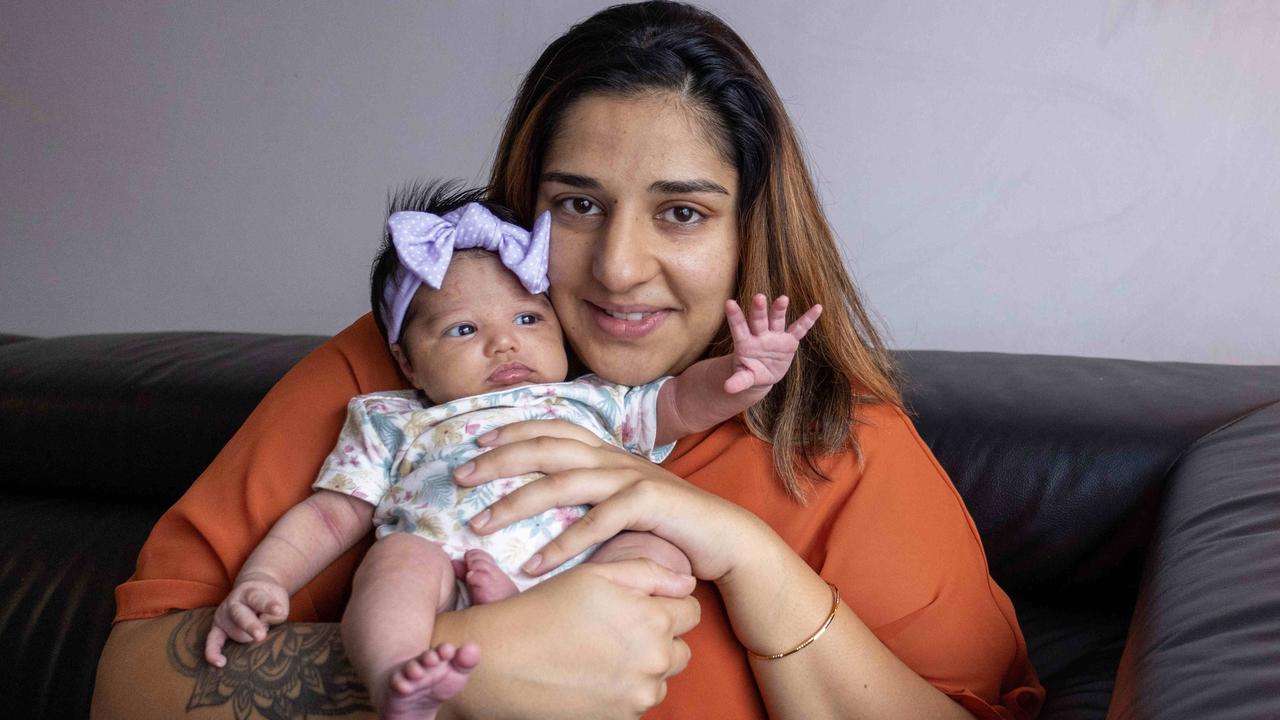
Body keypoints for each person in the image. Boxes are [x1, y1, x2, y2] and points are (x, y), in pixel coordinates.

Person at [93, 2, 1046, 718]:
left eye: (682, 212)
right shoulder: (393, 376)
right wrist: (471, 666)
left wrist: (745, 555)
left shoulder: (844, 443)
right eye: (578, 206)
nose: (621, 269)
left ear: (750, 233)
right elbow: (125, 690)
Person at [201, 189, 821, 720]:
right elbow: (330, 515)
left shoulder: (591, 400)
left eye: (529, 318)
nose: (504, 343)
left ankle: (571, 639)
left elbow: (682, 404)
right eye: (464, 330)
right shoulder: (394, 421)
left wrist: (747, 373)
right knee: (394, 563)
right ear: (407, 361)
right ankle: (399, 678)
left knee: (660, 542)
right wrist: (265, 578)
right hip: (446, 565)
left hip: (586, 578)